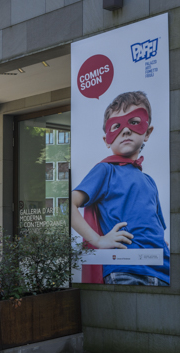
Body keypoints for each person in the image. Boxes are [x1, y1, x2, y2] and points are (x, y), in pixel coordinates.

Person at [70, 90, 169, 285]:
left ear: (148, 132)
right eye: (116, 126)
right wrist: (98, 240)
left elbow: (155, 228)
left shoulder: (150, 181)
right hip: (125, 268)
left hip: (162, 271)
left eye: (134, 122)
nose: (125, 131)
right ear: (106, 140)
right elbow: (69, 205)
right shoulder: (106, 170)